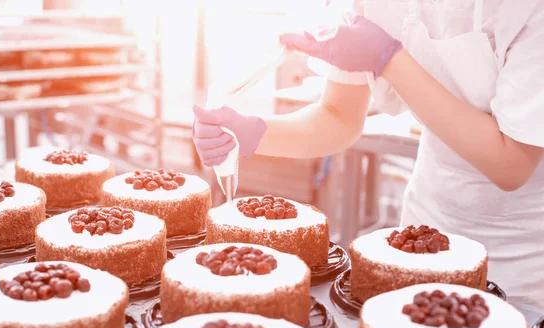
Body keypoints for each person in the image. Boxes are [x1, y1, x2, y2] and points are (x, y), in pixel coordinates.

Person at [191, 0, 544, 309]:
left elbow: (511, 163)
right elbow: (339, 116)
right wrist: (251, 132)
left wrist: (387, 58)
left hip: (523, 250)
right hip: (427, 223)